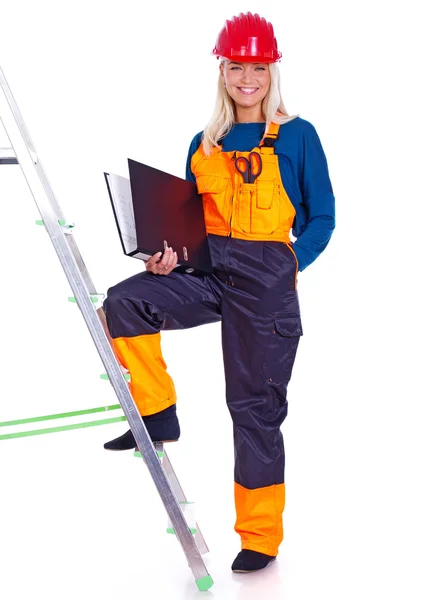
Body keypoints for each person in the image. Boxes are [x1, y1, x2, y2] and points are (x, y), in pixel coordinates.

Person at [102, 12, 336, 573]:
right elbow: (189, 226)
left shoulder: (299, 135)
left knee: (254, 410)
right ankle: (158, 413)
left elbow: (323, 218)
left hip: (267, 282)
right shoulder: (204, 142)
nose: (247, 77)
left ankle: (260, 534)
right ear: (223, 71)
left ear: (271, 70)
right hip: (208, 271)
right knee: (124, 301)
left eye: (258, 67)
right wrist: (167, 258)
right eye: (236, 66)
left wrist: (289, 264)